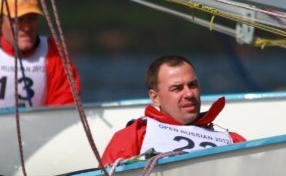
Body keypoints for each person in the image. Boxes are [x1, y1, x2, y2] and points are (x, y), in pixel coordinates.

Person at [101, 54, 245, 165]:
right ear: (155, 97)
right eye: (177, 88)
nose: (189, 94)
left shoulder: (232, 140)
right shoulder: (135, 136)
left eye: (192, 85)